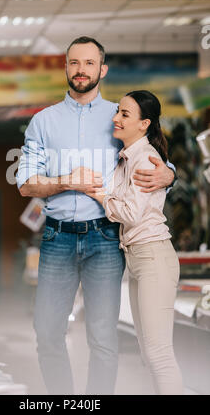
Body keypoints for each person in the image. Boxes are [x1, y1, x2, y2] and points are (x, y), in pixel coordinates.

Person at [16, 36, 175, 395]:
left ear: (102, 69)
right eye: (74, 62)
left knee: (103, 337)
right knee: (47, 332)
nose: (81, 70)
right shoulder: (43, 122)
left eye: (89, 63)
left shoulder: (120, 116)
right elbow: (25, 185)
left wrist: (170, 174)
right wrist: (64, 182)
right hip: (57, 237)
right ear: (66, 67)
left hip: (105, 238)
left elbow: (157, 161)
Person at [88, 90, 183, 395]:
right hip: (138, 260)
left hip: (153, 257)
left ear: (144, 124)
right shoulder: (127, 158)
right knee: (149, 355)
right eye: (118, 111)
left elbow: (129, 212)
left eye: (125, 114)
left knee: (159, 355)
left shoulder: (145, 158)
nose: (115, 118)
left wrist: (100, 196)